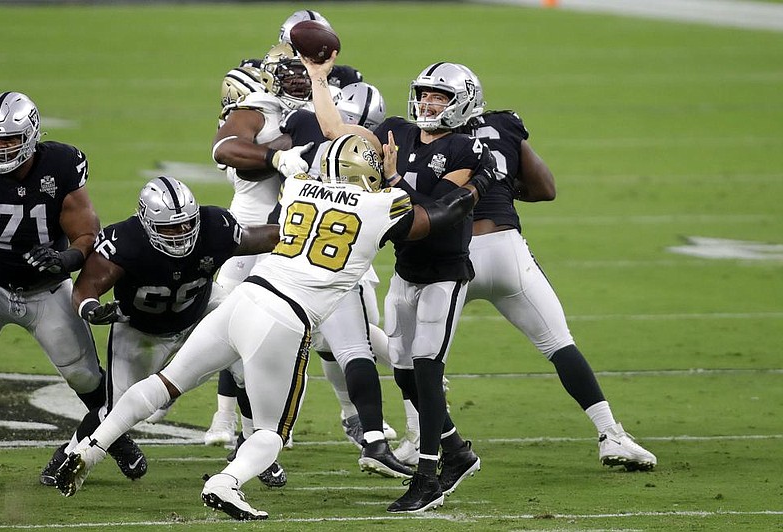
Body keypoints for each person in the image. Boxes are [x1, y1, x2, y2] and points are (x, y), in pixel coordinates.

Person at [53, 134, 497, 523]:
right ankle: (227, 482)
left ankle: (87, 450)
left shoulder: (299, 187)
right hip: (286, 319)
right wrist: (478, 184)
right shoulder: (382, 204)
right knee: (270, 433)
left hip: (245, 297)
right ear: (367, 172)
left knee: (164, 384)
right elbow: (437, 215)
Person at [304, 56, 489, 512]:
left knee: (427, 368)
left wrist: (391, 179)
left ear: (460, 103)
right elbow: (335, 131)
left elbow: (431, 215)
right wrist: (317, 78)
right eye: (424, 93)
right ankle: (458, 451)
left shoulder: (466, 149)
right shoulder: (397, 132)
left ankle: (429, 477)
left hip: (443, 275)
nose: (427, 102)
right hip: (405, 272)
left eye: (439, 96)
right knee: (405, 373)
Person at [458, 66, 657, 471]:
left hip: (452, 256)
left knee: (416, 355)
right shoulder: (503, 126)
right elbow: (545, 189)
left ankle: (417, 439)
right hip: (508, 250)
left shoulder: (421, 135)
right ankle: (611, 434)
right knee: (558, 343)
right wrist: (500, 183)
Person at [44, 176, 279, 488]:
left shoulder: (214, 225)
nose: (181, 234)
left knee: (251, 365)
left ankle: (252, 451)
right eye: (170, 227)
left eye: (186, 224)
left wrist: (302, 233)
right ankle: (69, 454)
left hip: (202, 310)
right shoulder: (124, 241)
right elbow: (85, 289)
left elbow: (256, 237)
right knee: (116, 410)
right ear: (146, 223)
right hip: (141, 329)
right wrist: (90, 309)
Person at [205, 9, 367, 450]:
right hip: (254, 229)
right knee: (234, 324)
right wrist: (279, 152)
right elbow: (225, 148)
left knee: (340, 332)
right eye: (293, 62)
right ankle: (233, 421)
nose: (301, 72)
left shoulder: (334, 87)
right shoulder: (257, 96)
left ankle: (351, 412)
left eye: (309, 62)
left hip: (311, 227)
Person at [0, 91, 116, 485]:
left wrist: (67, 260)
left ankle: (112, 436)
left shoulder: (59, 164)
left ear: (30, 135)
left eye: (8, 138)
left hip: (46, 291)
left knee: (87, 379)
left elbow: (86, 233)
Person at [278, 82, 410, 477]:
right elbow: (413, 216)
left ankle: (251, 443)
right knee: (356, 348)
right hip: (333, 274)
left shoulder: (296, 183)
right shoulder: (376, 201)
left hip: (282, 274)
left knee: (342, 348)